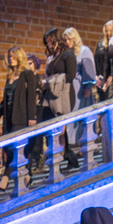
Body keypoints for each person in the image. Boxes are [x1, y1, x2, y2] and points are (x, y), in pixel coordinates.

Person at [0, 45, 40, 189]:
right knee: (9, 149)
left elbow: (30, 97)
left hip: (21, 118)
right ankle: (27, 176)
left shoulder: (27, 74)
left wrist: (31, 117)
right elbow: (4, 103)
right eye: (9, 56)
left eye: (14, 56)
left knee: (15, 150)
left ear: (20, 57)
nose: (11, 59)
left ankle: (5, 178)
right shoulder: (9, 77)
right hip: (9, 119)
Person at [41, 28, 79, 168]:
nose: (49, 44)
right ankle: (69, 158)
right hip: (51, 95)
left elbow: (70, 75)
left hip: (64, 95)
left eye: (51, 41)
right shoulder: (52, 57)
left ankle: (59, 158)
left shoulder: (68, 54)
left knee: (59, 129)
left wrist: (51, 82)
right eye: (47, 42)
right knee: (54, 129)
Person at [63, 27, 97, 169]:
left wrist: (88, 87)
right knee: (74, 120)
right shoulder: (68, 53)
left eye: (67, 39)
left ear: (73, 38)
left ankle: (87, 148)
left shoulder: (84, 51)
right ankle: (78, 148)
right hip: (71, 90)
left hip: (82, 89)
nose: (65, 42)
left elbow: (89, 70)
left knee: (84, 117)